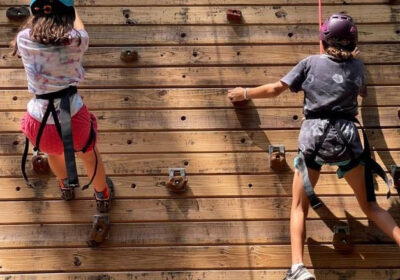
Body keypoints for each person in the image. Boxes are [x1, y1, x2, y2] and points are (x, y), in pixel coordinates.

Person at [228, 13, 400, 280]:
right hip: (347, 139)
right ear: (352, 39)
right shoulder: (358, 68)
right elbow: (361, 91)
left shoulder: (309, 63)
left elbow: (276, 88)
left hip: (315, 138)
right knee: (371, 207)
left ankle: (298, 268)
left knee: (299, 206)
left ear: (324, 38)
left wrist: (245, 93)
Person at [12, 0, 113, 213]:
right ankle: (101, 194)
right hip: (73, 116)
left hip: (39, 120)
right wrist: (73, 10)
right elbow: (80, 28)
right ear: (68, 14)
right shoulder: (77, 40)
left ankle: (66, 185)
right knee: (89, 154)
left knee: (54, 154)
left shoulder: (23, 39)